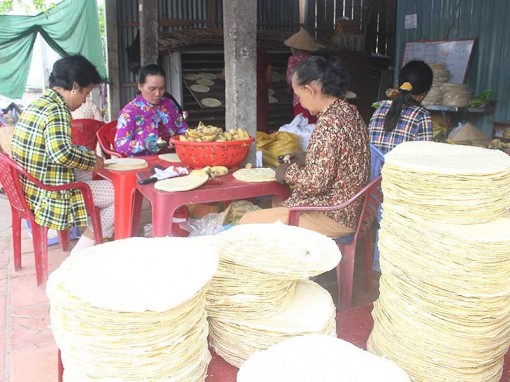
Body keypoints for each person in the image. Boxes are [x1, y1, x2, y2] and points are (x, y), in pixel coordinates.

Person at [239, 55, 370, 238]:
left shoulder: (329, 123)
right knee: (278, 200)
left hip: (334, 214)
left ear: (310, 90)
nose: (300, 101)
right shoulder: (350, 112)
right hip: (349, 207)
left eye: (299, 95)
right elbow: (342, 158)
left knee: (246, 222)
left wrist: (286, 172)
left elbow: (316, 183)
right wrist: (308, 157)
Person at [11, 55, 114, 255]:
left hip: (30, 187)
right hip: (49, 194)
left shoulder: (39, 103)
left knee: (89, 174)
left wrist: (86, 158)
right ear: (75, 86)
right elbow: (61, 154)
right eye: (86, 93)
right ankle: (82, 252)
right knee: (119, 192)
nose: (85, 100)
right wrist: (93, 160)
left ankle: (95, 226)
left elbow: (55, 150)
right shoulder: (58, 110)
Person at [115, 63, 187, 156]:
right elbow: (119, 145)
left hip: (172, 158)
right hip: (144, 164)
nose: (158, 93)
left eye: (162, 88)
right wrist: (143, 144)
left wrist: (177, 140)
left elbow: (184, 131)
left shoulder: (170, 104)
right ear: (140, 86)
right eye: (152, 89)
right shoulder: (130, 111)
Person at [369, 60, 433, 154]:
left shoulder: (379, 110)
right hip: (400, 168)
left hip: (374, 168)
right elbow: (426, 156)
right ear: (423, 93)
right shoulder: (421, 115)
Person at [284, 27, 322, 124]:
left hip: (300, 98)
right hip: (315, 97)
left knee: (301, 125)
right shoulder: (313, 59)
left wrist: (289, 88)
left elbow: (290, 79)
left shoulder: (293, 59)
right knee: (313, 125)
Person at [256, 45, 272, 133]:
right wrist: (266, 85)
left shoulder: (239, 50)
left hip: (243, 86)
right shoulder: (263, 52)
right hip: (261, 85)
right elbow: (268, 71)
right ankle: (262, 138)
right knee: (261, 116)